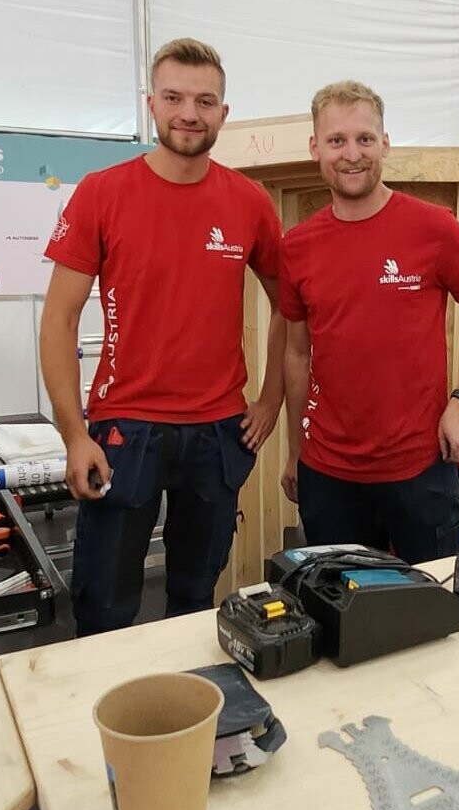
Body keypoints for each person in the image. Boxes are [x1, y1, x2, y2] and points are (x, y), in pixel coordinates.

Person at [39, 38, 285, 636]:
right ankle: (104, 721)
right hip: (126, 430)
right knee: (104, 607)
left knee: (195, 603)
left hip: (218, 435)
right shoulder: (102, 192)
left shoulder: (249, 202)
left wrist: (271, 398)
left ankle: (184, 717)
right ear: (151, 103)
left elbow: (291, 309)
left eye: (205, 101)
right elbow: (59, 321)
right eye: (174, 97)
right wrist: (74, 434)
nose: (189, 113)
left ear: (224, 113)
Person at [279, 80, 459, 565]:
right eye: (337, 140)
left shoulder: (434, 228)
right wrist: (294, 451)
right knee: (338, 614)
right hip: (329, 473)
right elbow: (297, 352)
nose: (351, 154)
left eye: (365, 139)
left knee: (431, 612)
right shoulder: (297, 246)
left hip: (420, 469)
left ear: (385, 143)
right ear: (315, 147)